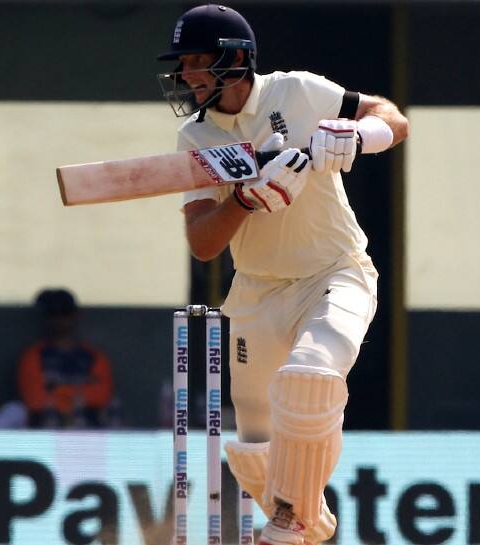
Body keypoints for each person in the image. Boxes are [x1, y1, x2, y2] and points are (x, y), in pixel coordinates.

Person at [156, 5, 408, 544]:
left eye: (198, 61)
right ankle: (305, 520)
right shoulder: (195, 139)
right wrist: (246, 199)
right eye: (184, 64)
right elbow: (203, 243)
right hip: (256, 292)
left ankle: (291, 523)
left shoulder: (296, 91)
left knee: (312, 377)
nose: (188, 75)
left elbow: (394, 117)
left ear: (236, 58)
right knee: (255, 450)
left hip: (334, 272)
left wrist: (357, 134)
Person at [17, 288, 116, 429]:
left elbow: (102, 396)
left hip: (90, 430)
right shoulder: (33, 356)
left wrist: (58, 394)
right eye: (53, 314)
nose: (59, 320)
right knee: (16, 410)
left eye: (64, 313)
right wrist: (79, 394)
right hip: (47, 431)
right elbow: (34, 400)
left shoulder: (94, 357)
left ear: (76, 315)